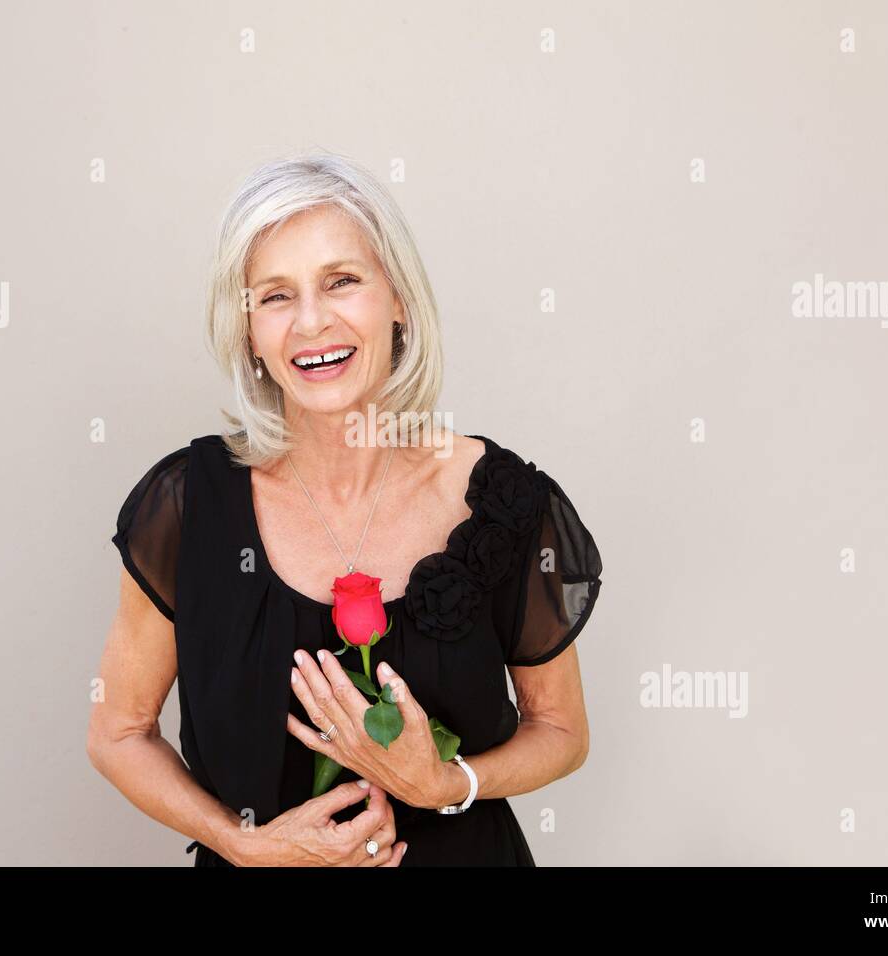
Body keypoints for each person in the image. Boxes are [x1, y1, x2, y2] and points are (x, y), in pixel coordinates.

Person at [87, 152, 603, 866]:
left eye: (342, 281)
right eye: (274, 296)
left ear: (398, 299)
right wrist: (245, 845)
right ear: (247, 331)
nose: (311, 322)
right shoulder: (189, 505)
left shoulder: (502, 503)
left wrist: (445, 782)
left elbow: (562, 731)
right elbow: (117, 732)